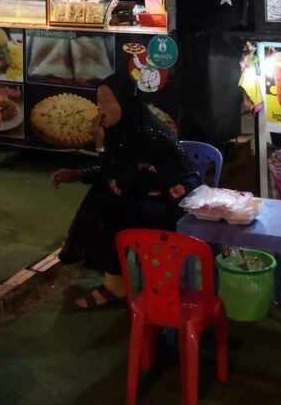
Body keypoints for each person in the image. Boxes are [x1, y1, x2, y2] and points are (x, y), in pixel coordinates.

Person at [51, 73, 200, 309]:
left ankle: (114, 284)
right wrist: (79, 175)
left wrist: (99, 145)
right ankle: (113, 280)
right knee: (102, 197)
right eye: (99, 99)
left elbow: (119, 183)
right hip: (147, 191)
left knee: (108, 204)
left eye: (108, 100)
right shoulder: (125, 127)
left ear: (125, 101)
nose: (100, 106)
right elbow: (118, 169)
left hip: (173, 203)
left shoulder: (145, 132)